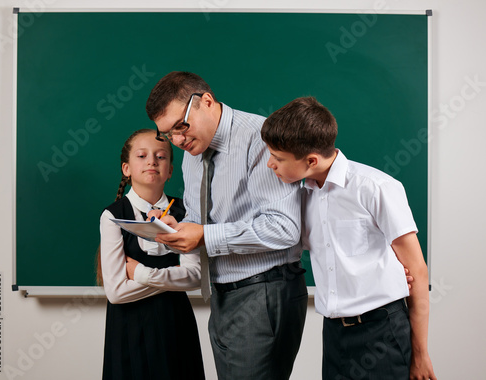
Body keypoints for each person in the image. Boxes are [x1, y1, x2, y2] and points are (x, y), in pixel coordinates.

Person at [145, 72, 308, 380]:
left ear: (206, 102)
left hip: (263, 291)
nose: (177, 140)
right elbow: (199, 216)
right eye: (167, 134)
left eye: (180, 126)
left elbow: (284, 227)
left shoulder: (260, 138)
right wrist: (177, 228)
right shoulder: (192, 151)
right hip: (222, 294)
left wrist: (204, 235)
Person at [261, 97, 436, 380]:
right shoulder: (298, 196)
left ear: (311, 161)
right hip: (333, 333)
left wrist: (420, 354)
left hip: (381, 331)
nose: (270, 164)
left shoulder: (375, 187)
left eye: (278, 158)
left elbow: (417, 269)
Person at [98, 129, 205, 380]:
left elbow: (196, 278)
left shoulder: (186, 211)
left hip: (174, 323)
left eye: (161, 157)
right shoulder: (113, 215)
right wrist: (172, 280)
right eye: (142, 156)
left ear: (169, 171)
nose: (152, 162)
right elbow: (116, 292)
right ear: (126, 168)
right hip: (128, 327)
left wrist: (139, 273)